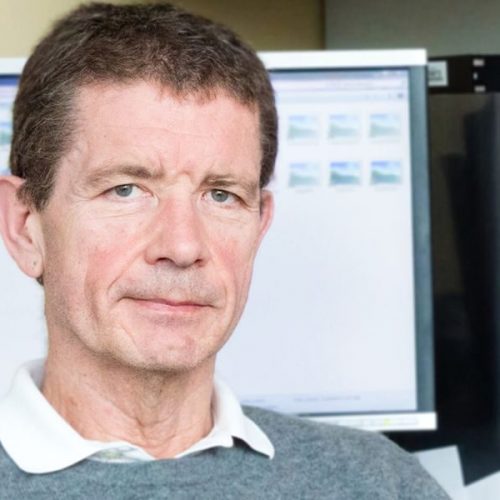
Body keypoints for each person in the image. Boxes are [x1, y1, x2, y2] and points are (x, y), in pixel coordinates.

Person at [0, 2, 448, 498]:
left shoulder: (381, 483)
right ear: (24, 227)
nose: (182, 246)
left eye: (221, 196)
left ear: (259, 225)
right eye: (125, 190)